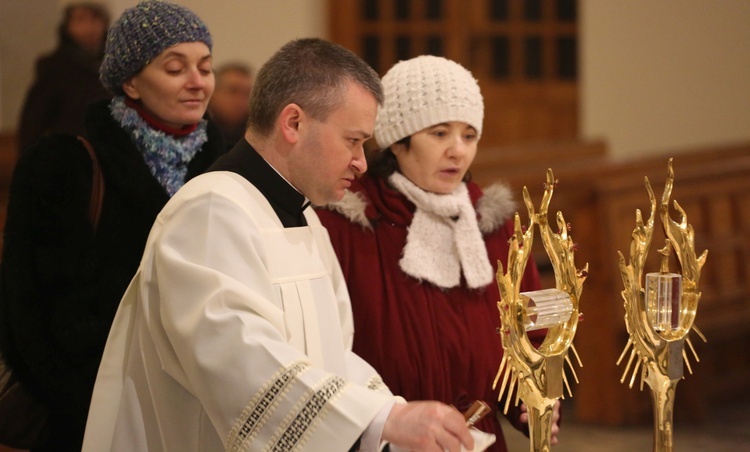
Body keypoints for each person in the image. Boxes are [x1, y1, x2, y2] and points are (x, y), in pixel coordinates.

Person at [82, 38, 487, 452]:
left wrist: (390, 419)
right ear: (293, 123)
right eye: (353, 140)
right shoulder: (210, 212)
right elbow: (239, 364)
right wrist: (383, 419)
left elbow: (332, 355)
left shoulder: (305, 216)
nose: (362, 162)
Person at [0, 0, 226, 452]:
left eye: (205, 66)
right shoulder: (66, 165)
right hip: (88, 415)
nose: (197, 82)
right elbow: (27, 309)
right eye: (175, 68)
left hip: (195, 413)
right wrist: (90, 405)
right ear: (130, 81)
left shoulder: (222, 167)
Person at [315, 55, 560, 451]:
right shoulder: (348, 225)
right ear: (397, 138)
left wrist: (527, 403)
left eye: (469, 135)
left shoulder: (493, 228)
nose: (458, 152)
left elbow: (529, 334)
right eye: (440, 133)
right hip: (386, 440)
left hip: (477, 440)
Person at [16, 0, 112, 157]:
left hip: (111, 157)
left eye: (95, 19)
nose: (88, 27)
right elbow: (33, 123)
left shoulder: (116, 63)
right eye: (80, 20)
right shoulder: (53, 67)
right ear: (67, 25)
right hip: (69, 159)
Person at [208, 61, 254, 146]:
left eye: (247, 93)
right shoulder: (197, 133)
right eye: (233, 91)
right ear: (213, 93)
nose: (240, 100)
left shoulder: (256, 135)